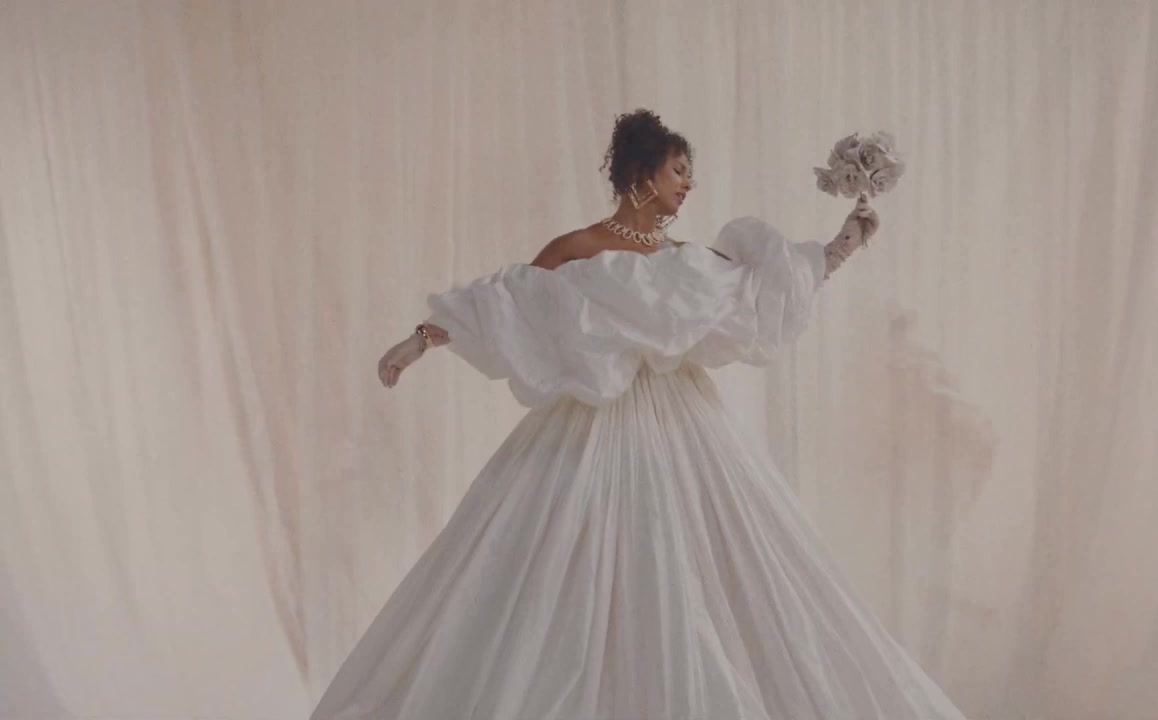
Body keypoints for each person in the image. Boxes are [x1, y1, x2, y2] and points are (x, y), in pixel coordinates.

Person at [311, 109, 967, 719]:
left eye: (690, 174)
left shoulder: (687, 260)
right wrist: (420, 340)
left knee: (710, 560)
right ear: (642, 173)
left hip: (683, 423)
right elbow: (506, 302)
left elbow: (760, 293)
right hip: (590, 423)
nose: (688, 185)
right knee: (550, 561)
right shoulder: (577, 246)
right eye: (679, 170)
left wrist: (843, 244)